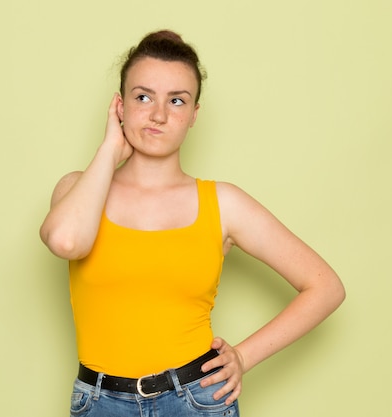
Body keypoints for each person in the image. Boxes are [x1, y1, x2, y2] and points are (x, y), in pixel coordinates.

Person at [40, 29, 345, 417]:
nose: (159, 115)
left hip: (195, 401)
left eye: (177, 101)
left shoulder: (223, 203)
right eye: (143, 97)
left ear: (194, 115)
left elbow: (325, 287)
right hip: (100, 403)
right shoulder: (77, 190)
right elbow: (67, 242)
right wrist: (109, 148)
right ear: (119, 106)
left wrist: (243, 357)